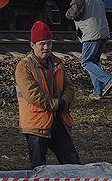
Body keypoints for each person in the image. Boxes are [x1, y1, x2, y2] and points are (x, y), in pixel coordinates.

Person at [15, 20, 80, 168]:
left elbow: (68, 86)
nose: (46, 47)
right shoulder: (24, 67)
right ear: (33, 45)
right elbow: (32, 94)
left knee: (73, 163)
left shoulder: (57, 63)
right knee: (38, 167)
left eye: (49, 43)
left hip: (57, 119)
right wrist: (58, 104)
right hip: (36, 123)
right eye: (42, 44)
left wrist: (64, 101)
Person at [66, 0, 112, 99]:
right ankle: (97, 92)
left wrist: (67, 14)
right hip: (103, 33)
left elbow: (73, 12)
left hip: (91, 34)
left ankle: (108, 79)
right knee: (93, 63)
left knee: (86, 62)